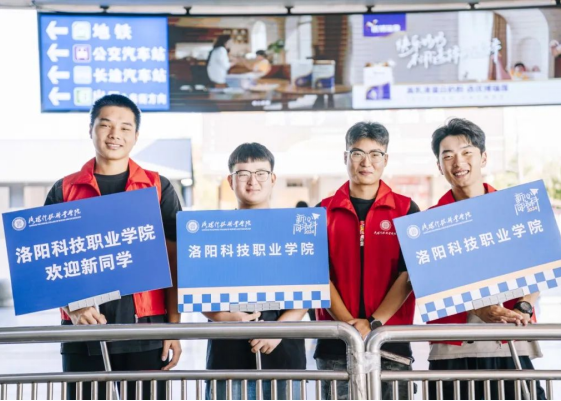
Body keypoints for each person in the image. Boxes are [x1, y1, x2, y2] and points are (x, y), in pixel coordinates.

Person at [44, 94, 183, 400]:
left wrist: (174, 327)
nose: (114, 134)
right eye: (105, 125)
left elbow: (175, 262)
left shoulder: (158, 187)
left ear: (136, 135)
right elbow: (48, 264)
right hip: (83, 331)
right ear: (91, 129)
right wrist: (73, 307)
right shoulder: (64, 190)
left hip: (146, 331)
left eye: (124, 127)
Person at [427, 118, 546, 401]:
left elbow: (540, 267)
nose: (458, 162)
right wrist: (479, 308)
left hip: (510, 342)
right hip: (453, 348)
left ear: (483, 157)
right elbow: (430, 283)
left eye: (466, 152)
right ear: (439, 166)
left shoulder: (515, 209)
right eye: (448, 156)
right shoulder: (429, 223)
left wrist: (524, 306)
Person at [315, 122, 420, 401]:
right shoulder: (322, 212)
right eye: (358, 153)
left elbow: (408, 275)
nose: (366, 162)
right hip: (335, 344)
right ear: (345, 157)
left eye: (375, 154)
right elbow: (318, 276)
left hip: (391, 343)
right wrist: (349, 327)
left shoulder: (406, 210)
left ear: (386, 159)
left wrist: (373, 323)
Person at [203, 143, 307, 400]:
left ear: (272, 179)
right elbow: (198, 291)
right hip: (228, 356)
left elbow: (309, 290)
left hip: (284, 354)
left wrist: (279, 330)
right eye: (243, 174)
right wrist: (225, 318)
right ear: (230, 180)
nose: (253, 181)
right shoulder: (212, 233)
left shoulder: (295, 229)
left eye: (261, 173)